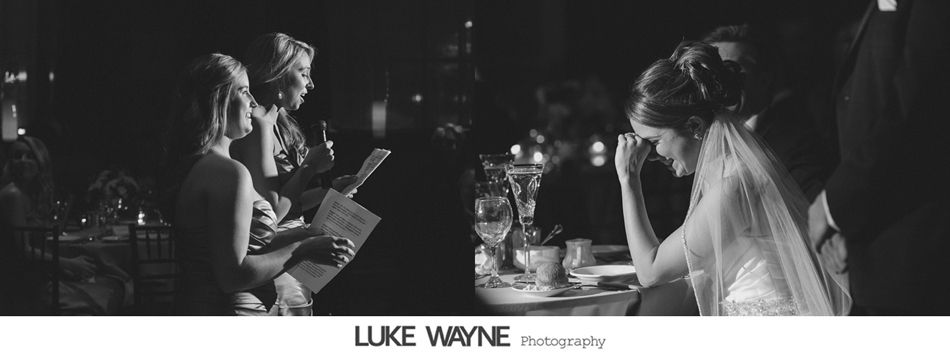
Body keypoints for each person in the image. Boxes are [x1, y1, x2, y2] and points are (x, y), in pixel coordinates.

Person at [615, 42, 850, 315]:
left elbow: (651, 272)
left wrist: (628, 178)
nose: (651, 156)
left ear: (694, 126)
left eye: (653, 141)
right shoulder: (725, 172)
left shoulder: (731, 188)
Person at [161, 53, 354, 315]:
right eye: (244, 91)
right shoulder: (229, 173)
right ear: (219, 100)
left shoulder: (205, 166)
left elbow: (236, 246)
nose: (253, 102)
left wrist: (306, 235)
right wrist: (302, 249)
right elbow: (232, 275)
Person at [808, 0, 950, 315]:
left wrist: (833, 205)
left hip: (918, 253)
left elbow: (914, 110)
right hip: (879, 245)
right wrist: (852, 218)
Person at [233, 32, 357, 314]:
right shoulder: (257, 127)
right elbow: (273, 212)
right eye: (303, 74)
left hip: (292, 260)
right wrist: (309, 166)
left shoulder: (279, 124)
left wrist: (331, 192)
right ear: (277, 75)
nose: (311, 84)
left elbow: (290, 203)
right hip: (272, 257)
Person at [702, 24, 834, 202]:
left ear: (764, 79)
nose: (722, 83)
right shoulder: (704, 139)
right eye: (714, 73)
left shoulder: (796, 142)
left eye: (732, 70)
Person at [0, 136, 125, 315]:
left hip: (36, 277)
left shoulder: (28, 194)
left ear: (41, 161)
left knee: (111, 284)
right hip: (22, 287)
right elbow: (23, 251)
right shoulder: (13, 195)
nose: (23, 161)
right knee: (107, 293)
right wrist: (69, 264)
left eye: (30, 156)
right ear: (9, 162)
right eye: (17, 156)